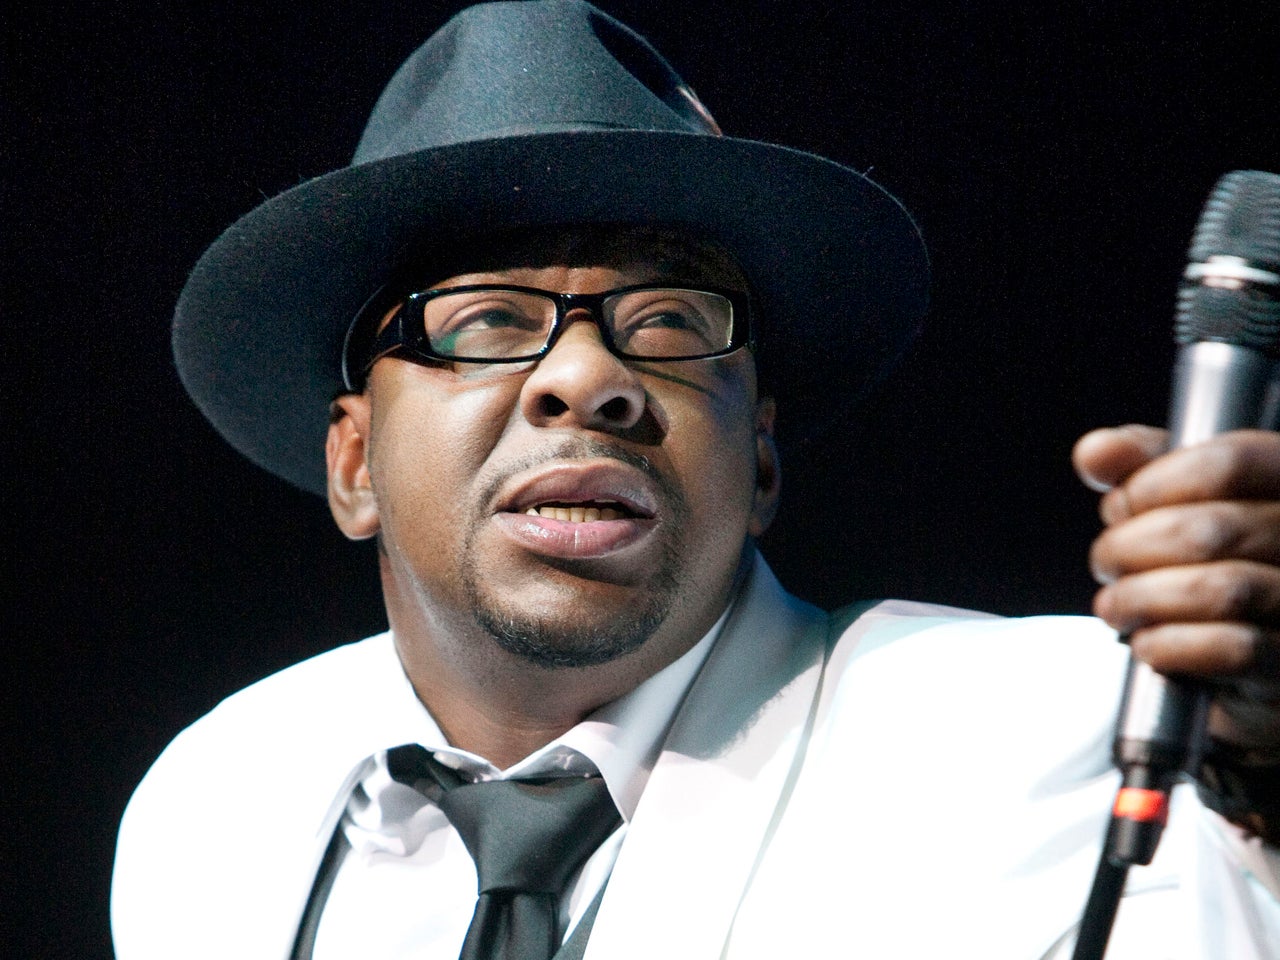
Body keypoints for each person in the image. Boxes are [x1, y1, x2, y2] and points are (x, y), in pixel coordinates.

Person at [111, 2, 1280, 958]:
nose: (587, 379)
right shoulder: (218, 802)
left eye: (670, 321)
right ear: (354, 460)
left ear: (759, 457)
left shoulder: (1055, 731)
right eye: (485, 322)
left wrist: (1260, 769)